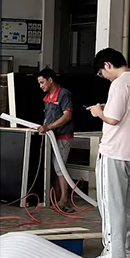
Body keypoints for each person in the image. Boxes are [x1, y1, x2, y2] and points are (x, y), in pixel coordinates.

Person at [88, 48, 130, 258]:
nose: (104, 76)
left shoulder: (118, 83)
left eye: (101, 72)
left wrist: (98, 112)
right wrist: (107, 110)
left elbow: (113, 119)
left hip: (115, 152)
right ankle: (128, 251)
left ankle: (114, 256)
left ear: (107, 65)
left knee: (112, 204)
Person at [36, 68, 75, 213]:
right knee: (53, 166)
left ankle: (64, 199)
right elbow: (48, 117)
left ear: (50, 80)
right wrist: (44, 127)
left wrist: (49, 127)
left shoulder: (63, 94)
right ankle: (56, 197)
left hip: (63, 136)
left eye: (42, 82)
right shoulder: (48, 97)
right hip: (52, 137)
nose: (41, 86)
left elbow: (67, 116)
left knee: (60, 167)